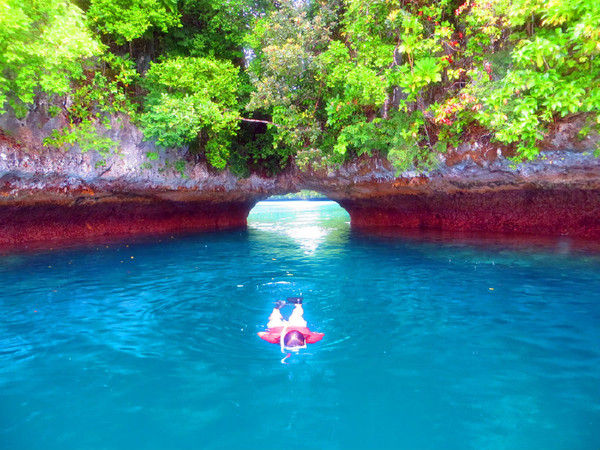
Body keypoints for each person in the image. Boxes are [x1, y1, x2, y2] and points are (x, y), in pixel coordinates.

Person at [258, 298, 324, 354]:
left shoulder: (311, 339)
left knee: (296, 315)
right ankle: (278, 307)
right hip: (279, 329)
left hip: (298, 327)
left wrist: (313, 334)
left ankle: (297, 303)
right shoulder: (274, 338)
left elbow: (321, 334)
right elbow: (260, 333)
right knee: (275, 319)